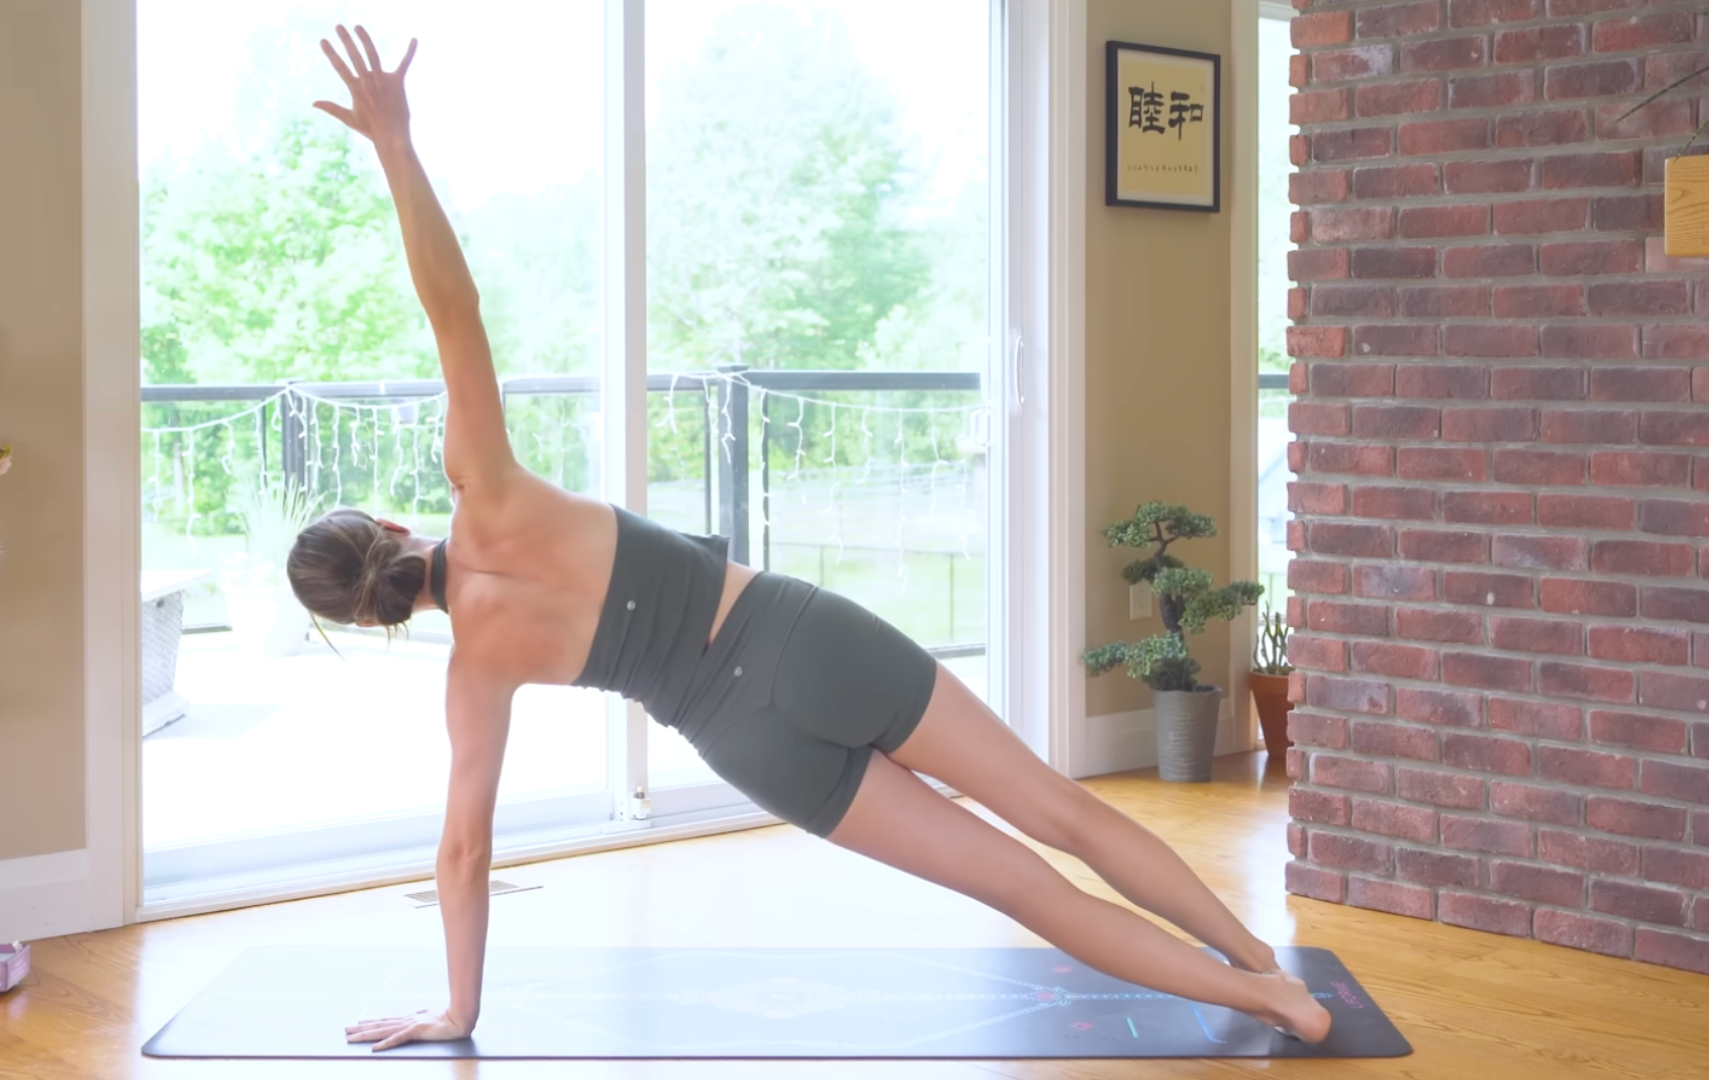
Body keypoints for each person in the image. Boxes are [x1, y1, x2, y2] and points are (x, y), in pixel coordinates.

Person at [290, 26, 1331, 1054]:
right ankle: (1264, 967)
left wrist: (457, 1011)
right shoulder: (486, 486)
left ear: (372, 620)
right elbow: (453, 306)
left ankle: (1271, 1007)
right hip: (800, 639)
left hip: (748, 741)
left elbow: (464, 851)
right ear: (386, 523)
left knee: (1022, 889)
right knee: (1059, 813)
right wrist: (395, 144)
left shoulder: (474, 672)